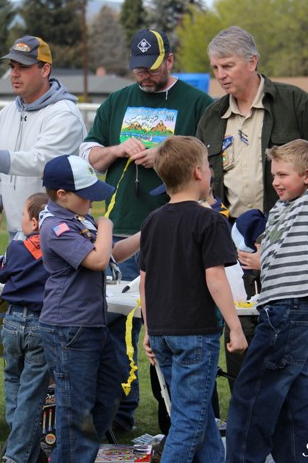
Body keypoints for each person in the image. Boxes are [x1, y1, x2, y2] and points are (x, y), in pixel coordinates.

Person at [195, 25, 308, 389]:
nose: (221, 75)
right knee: (240, 333)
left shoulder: (295, 102)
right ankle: (247, 418)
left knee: (289, 329)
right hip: (229, 236)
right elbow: (199, 176)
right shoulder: (211, 115)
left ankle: (291, 417)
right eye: (215, 68)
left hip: (289, 233)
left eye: (228, 66)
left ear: (253, 61)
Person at [79, 28, 213, 432]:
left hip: (176, 234)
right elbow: (89, 155)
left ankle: (172, 419)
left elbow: (209, 158)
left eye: (152, 68)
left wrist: (166, 154)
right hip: (119, 232)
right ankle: (119, 415)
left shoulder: (196, 102)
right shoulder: (118, 100)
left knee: (166, 328)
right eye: (138, 69)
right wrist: (119, 150)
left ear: (169, 60)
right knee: (117, 327)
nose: (144, 76)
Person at [226, 139, 308, 463]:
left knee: (253, 392)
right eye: (274, 174)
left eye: (284, 174)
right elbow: (279, 251)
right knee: (295, 399)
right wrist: (260, 260)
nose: (276, 181)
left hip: (291, 308)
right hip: (286, 308)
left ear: (307, 176)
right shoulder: (280, 209)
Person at [138, 136, 247, 463]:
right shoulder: (210, 220)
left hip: (162, 334)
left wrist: (149, 329)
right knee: (189, 418)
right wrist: (236, 327)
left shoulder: (152, 221)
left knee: (199, 418)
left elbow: (145, 282)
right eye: (210, 166)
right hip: (195, 334)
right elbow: (215, 278)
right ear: (200, 173)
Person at [38, 154, 140, 463]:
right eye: (87, 194)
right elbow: (96, 260)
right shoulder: (55, 226)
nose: (93, 201)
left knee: (112, 384)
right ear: (62, 195)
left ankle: (81, 450)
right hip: (68, 326)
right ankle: (71, 456)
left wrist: (147, 232)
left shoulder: (78, 219)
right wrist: (106, 224)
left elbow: (112, 255)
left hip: (90, 323)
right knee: (75, 408)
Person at [0, 35, 87, 239]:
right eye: (12, 66)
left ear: (45, 70)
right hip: (17, 233)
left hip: (58, 233)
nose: (14, 74)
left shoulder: (65, 114)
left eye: (23, 67)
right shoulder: (3, 116)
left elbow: (42, 162)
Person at [0, 192, 52, 463]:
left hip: (12, 321)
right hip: (41, 323)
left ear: (32, 222)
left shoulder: (16, 248)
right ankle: (18, 452)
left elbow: (1, 272)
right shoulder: (56, 248)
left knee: (13, 381)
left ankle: (15, 445)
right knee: (32, 391)